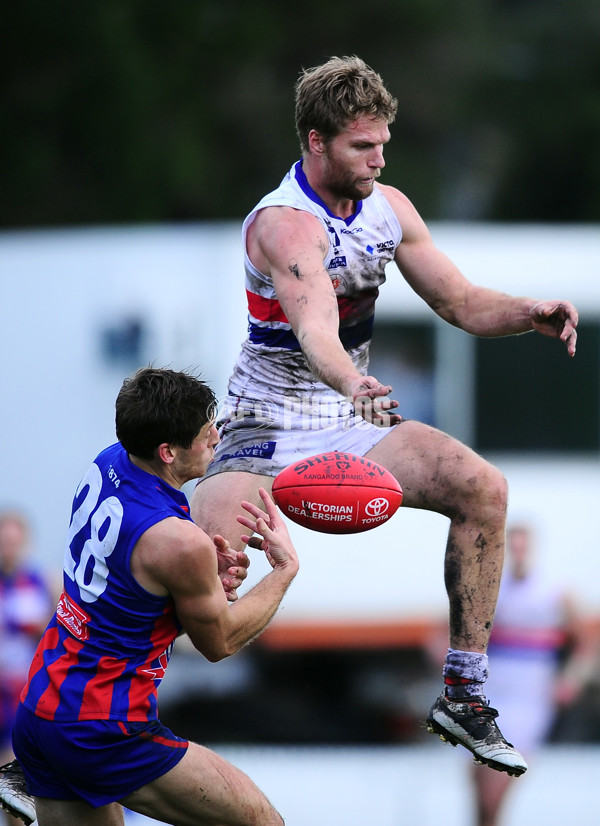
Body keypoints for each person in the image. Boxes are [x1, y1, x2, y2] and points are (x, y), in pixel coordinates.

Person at [188, 54, 579, 776]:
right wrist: (356, 383)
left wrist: (528, 312)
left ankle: (463, 693)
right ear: (315, 141)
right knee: (194, 582)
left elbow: (459, 302)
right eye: (362, 146)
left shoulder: (389, 209)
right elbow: (315, 334)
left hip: (349, 416)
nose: (378, 158)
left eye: (383, 143)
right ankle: (67, 717)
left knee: (483, 489)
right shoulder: (286, 226)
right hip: (263, 423)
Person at [4, 366, 299, 826]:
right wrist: (283, 571)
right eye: (206, 433)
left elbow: (130, 584)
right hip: (102, 726)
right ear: (168, 451)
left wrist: (200, 578)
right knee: (263, 823)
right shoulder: (180, 543)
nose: (216, 438)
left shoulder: (110, 461)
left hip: (41, 709)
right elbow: (218, 643)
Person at [470, 523, 593, 826]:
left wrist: (572, 679)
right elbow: (449, 631)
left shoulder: (554, 591)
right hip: (490, 691)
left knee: (501, 778)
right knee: (477, 780)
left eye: (523, 547)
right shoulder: (490, 588)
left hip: (529, 697)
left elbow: (587, 642)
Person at [0, 512, 54, 825]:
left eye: (13, 541)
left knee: (15, 773)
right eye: (4, 541)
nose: (8, 547)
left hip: (23, 689)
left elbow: (51, 632)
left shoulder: (38, 581)